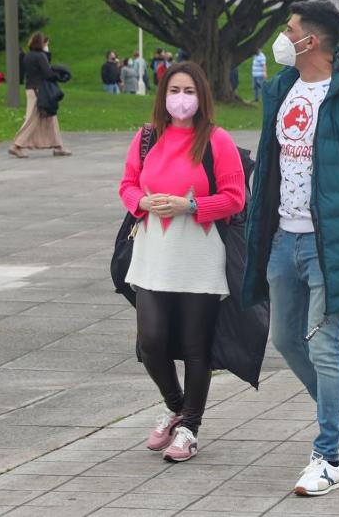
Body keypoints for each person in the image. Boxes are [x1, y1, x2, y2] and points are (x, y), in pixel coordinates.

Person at [241, 1, 339, 496]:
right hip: (282, 239)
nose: (282, 37)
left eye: (289, 30)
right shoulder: (282, 88)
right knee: (286, 339)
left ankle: (327, 455)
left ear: (311, 41)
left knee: (323, 345)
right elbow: (271, 159)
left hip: (329, 242)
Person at [120, 61, 246, 463]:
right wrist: (140, 201)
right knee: (151, 342)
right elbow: (127, 184)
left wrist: (189, 205)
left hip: (199, 254)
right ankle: (176, 406)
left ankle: (190, 426)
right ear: (163, 95)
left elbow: (234, 197)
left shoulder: (217, 140)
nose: (181, 98)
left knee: (196, 346)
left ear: (202, 96)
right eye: (174, 90)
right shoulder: (145, 137)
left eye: (189, 91)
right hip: (153, 253)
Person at [9, 32, 71, 158]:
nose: (47, 45)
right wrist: (59, 75)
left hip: (32, 88)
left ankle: (58, 145)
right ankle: (16, 145)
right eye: (46, 43)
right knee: (33, 118)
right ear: (41, 43)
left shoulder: (28, 56)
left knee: (50, 117)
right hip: (39, 90)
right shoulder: (40, 56)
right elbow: (47, 73)